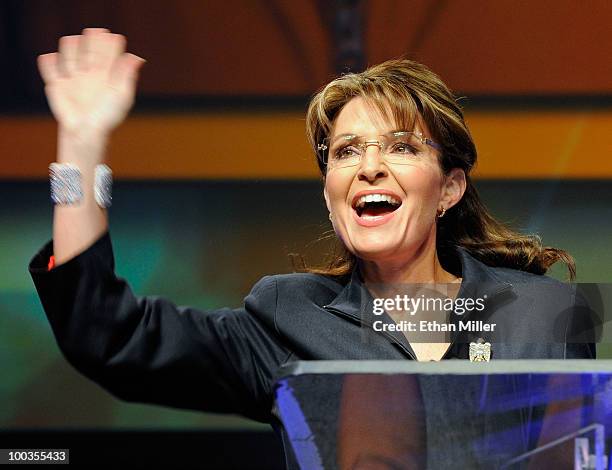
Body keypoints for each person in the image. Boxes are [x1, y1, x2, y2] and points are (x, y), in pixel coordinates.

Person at [29, 28, 595, 466]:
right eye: (346, 152)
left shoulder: (542, 318)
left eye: (400, 147)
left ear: (449, 187)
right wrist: (80, 143)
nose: (369, 167)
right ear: (330, 196)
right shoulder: (289, 318)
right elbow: (106, 335)